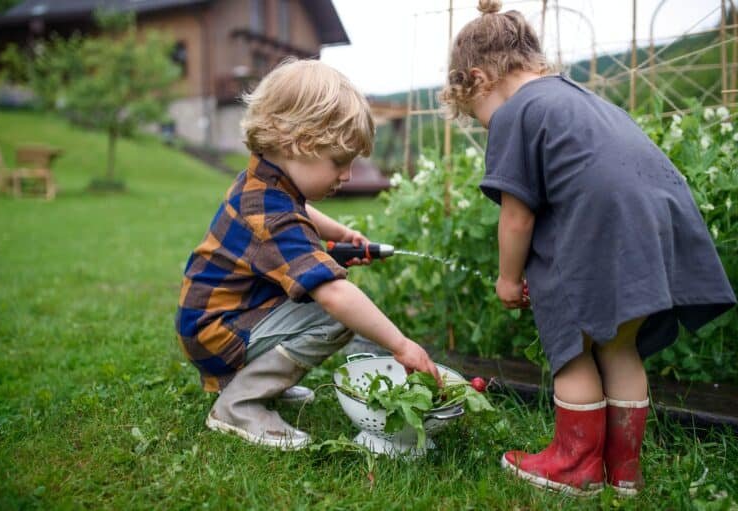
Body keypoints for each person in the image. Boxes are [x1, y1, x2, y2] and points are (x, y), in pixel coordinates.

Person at [440, 0, 736, 497]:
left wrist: (509, 279)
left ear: (479, 79)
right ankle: (623, 473)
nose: (488, 127)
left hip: (600, 229)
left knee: (574, 350)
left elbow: (517, 216)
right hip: (655, 222)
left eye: (478, 116)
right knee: (619, 346)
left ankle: (576, 466)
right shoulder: (582, 98)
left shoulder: (518, 111)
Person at [175, 58, 441, 451]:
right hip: (219, 332)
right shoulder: (275, 215)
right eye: (340, 162)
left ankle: (256, 384)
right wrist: (401, 345)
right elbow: (333, 293)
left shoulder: (263, 182)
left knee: (309, 299)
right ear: (297, 143)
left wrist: (337, 232)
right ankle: (239, 402)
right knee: (330, 317)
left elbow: (300, 212)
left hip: (213, 320)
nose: (347, 175)